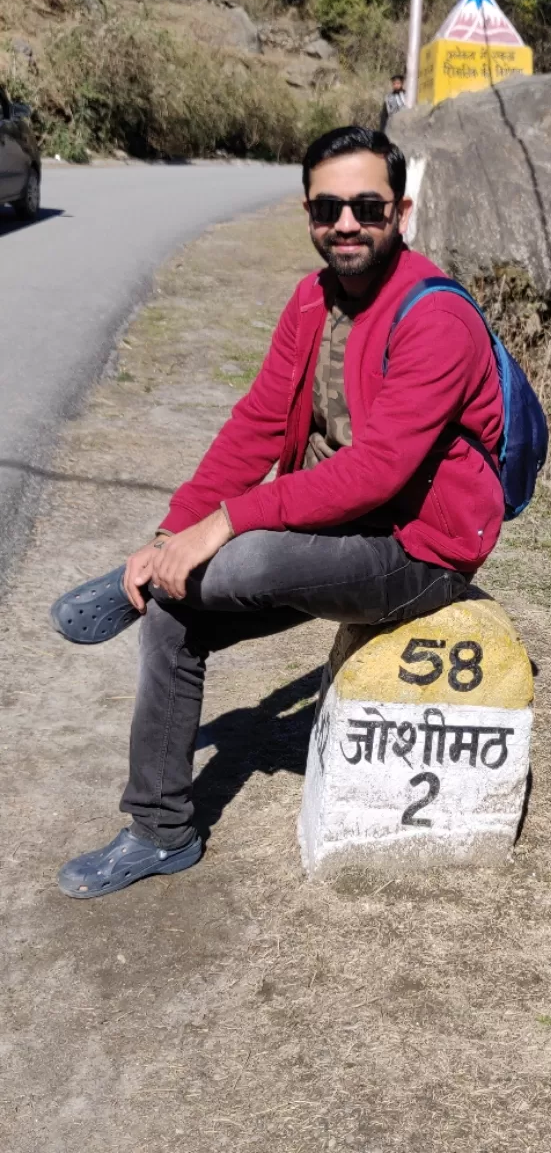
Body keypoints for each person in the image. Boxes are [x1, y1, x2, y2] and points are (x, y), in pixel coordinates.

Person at [55, 124, 505, 898]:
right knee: (176, 608)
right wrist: (174, 530)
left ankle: (165, 574)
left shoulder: (436, 319)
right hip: (333, 534)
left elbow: (377, 471)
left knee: (246, 558)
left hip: (420, 550)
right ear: (306, 212)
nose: (345, 224)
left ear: (401, 211)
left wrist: (224, 523)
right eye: (327, 207)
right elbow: (258, 422)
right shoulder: (312, 301)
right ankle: (160, 831)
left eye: (367, 206)